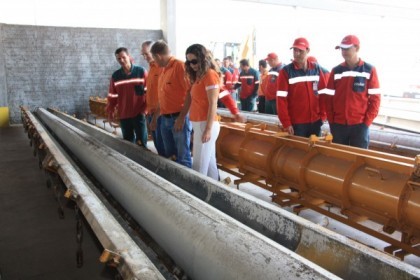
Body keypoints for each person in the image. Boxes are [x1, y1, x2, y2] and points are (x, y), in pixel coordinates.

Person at [177, 44, 242, 179]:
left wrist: (207, 129)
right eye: (189, 62)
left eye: (194, 61)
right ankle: (215, 192)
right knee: (210, 164)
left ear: (202, 59)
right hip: (200, 124)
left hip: (205, 125)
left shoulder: (210, 76)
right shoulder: (198, 77)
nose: (192, 65)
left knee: (199, 167)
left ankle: (197, 196)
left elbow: (213, 103)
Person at [322, 35, 380, 149]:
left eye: (346, 48)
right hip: (338, 126)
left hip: (359, 126)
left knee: (359, 160)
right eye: (341, 49)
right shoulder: (336, 71)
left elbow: (375, 100)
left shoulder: (369, 70)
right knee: (339, 159)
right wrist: (332, 122)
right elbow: (328, 99)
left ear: (357, 48)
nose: (343, 52)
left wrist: (366, 123)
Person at [149, 40, 192, 167]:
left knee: (183, 156)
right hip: (165, 119)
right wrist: (155, 118)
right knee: (170, 155)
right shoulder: (163, 70)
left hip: (178, 118)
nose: (154, 62)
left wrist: (181, 117)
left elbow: (190, 93)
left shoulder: (180, 66)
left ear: (158, 56)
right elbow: (162, 98)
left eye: (154, 59)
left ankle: (185, 185)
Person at [276, 37, 328, 137]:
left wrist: (323, 116)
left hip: (316, 122)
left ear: (308, 50)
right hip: (297, 124)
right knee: (298, 152)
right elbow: (281, 100)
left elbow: (323, 94)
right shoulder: (286, 72)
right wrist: (286, 123)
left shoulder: (316, 69)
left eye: (300, 50)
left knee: (315, 151)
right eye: (295, 50)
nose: (297, 53)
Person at [106, 47, 148, 147]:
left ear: (129, 56)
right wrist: (110, 111)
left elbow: (149, 93)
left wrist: (144, 111)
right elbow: (112, 96)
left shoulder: (141, 72)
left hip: (139, 114)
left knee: (141, 144)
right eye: (119, 59)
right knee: (128, 144)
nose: (121, 60)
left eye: (123, 57)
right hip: (124, 115)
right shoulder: (116, 76)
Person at [140, 40, 166, 156]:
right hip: (152, 113)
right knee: (159, 147)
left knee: (165, 149)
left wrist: (156, 116)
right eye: (143, 54)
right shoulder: (151, 69)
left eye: (146, 54)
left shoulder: (161, 68)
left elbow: (164, 94)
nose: (145, 57)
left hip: (160, 115)